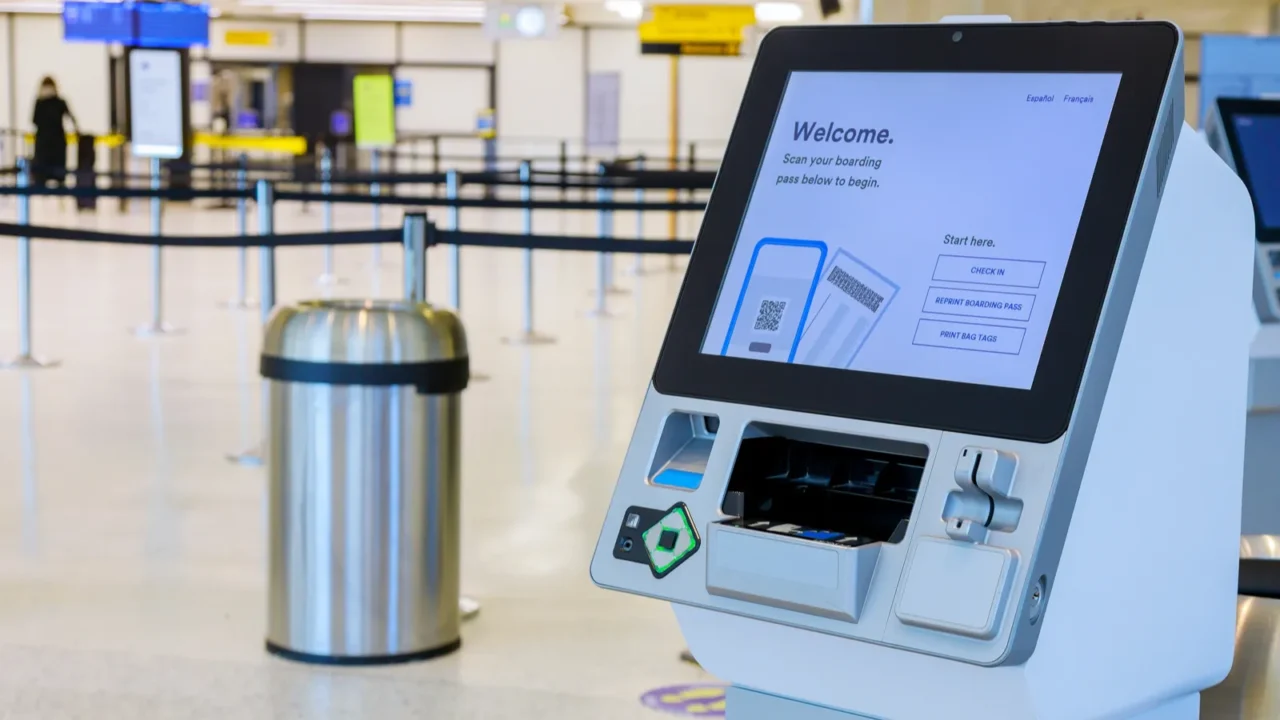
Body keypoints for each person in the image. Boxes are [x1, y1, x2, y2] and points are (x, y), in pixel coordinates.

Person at [31, 76, 77, 187]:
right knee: (58, 172)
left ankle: (41, 183)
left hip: (43, 141)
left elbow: (34, 120)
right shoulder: (60, 102)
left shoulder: (39, 102)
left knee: (42, 171)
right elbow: (72, 118)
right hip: (58, 141)